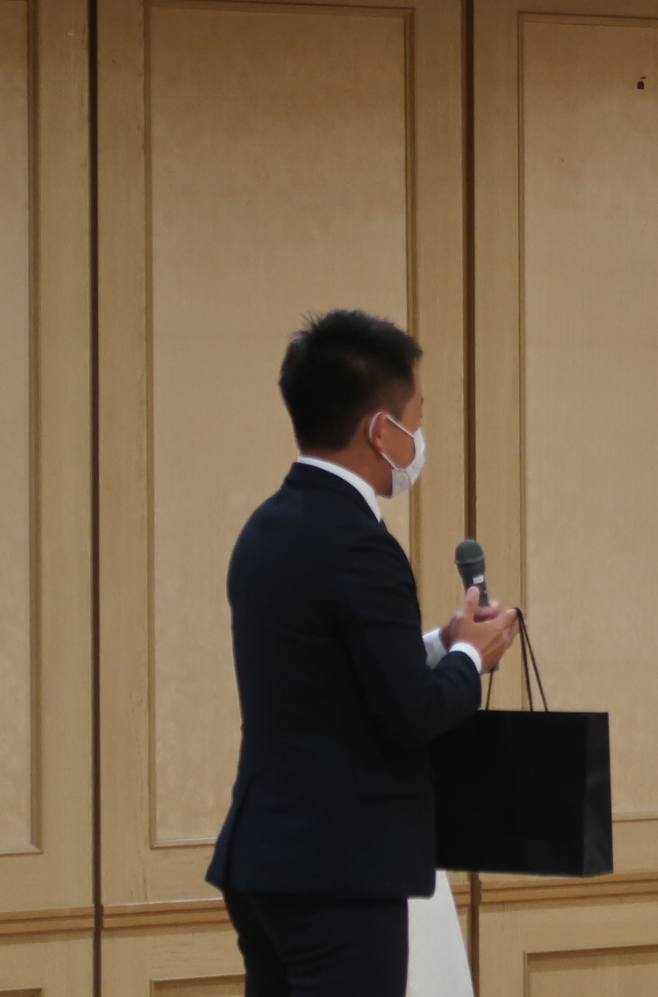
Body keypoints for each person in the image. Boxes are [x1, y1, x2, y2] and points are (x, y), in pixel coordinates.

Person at [208, 309, 520, 997]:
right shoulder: (360, 544)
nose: (420, 436)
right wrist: (472, 660)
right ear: (381, 431)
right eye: (417, 416)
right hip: (340, 869)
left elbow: (328, 675)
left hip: (263, 856)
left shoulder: (265, 528)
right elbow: (409, 714)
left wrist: (444, 643)